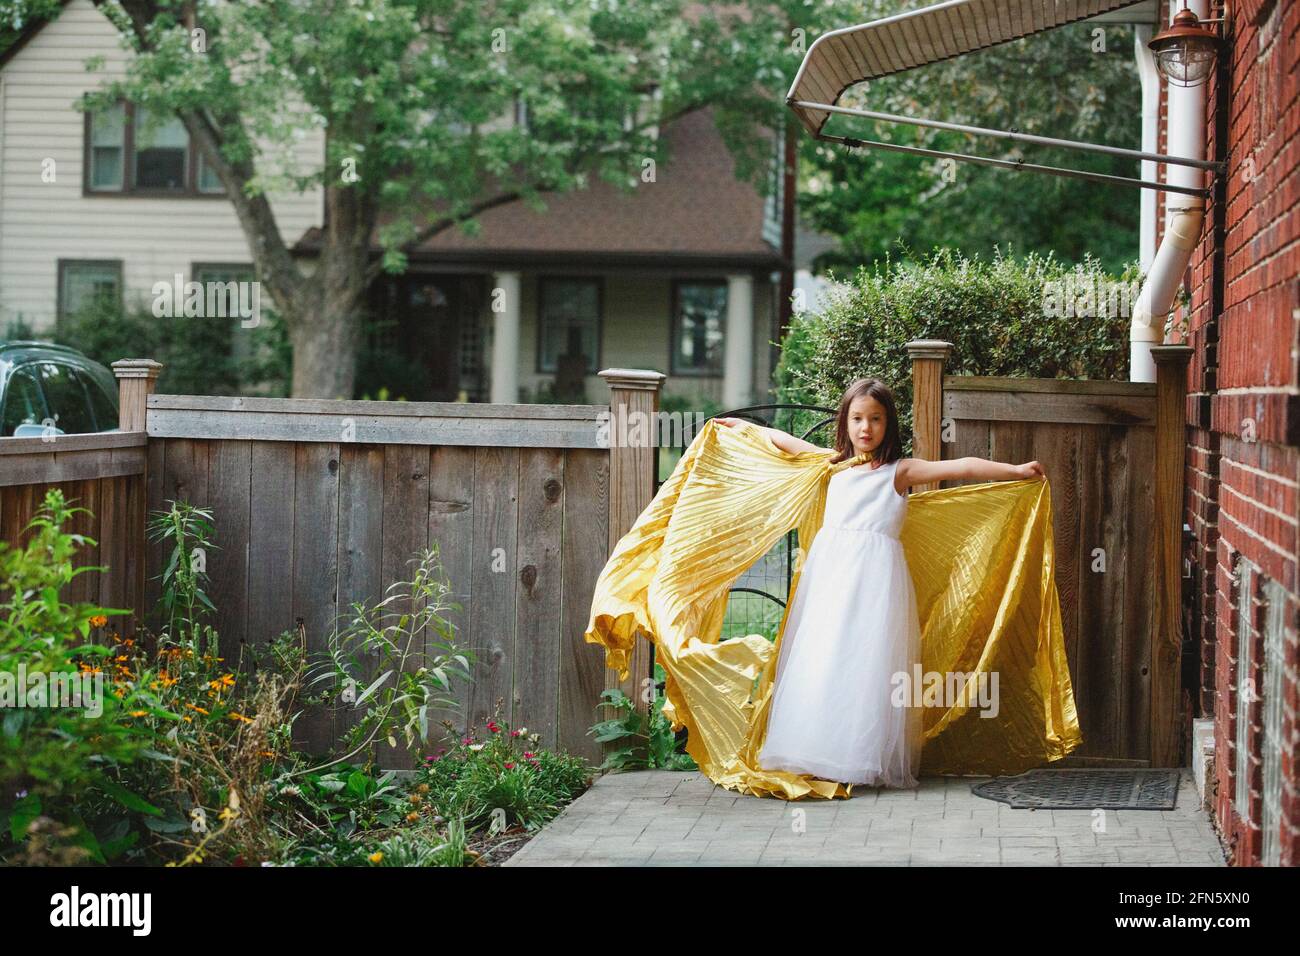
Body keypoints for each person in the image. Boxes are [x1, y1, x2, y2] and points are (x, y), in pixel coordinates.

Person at [715, 376, 1045, 790]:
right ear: (845, 422)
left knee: (865, 664)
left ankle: (854, 755)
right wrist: (747, 429)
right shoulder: (832, 465)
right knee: (824, 656)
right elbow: (787, 444)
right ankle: (810, 748)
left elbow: (960, 466)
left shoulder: (899, 472)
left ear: (889, 424)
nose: (865, 428)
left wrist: (1014, 470)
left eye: (875, 418)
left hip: (875, 584)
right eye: (857, 418)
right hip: (830, 578)